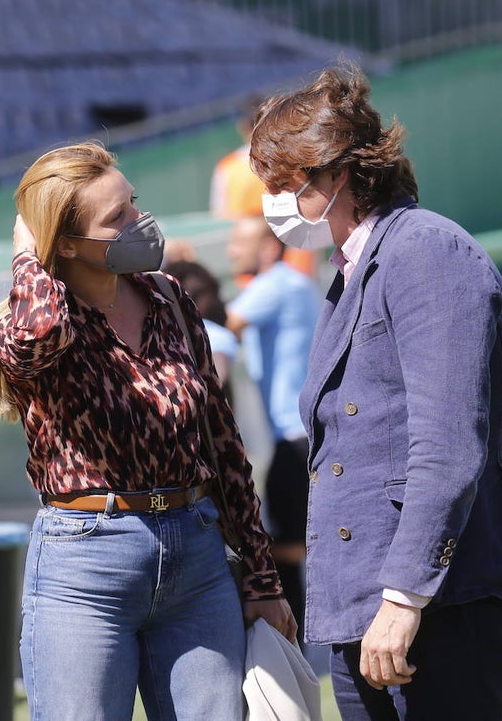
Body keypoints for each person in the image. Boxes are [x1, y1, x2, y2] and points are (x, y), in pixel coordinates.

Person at [0, 142, 294, 721]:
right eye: (118, 217)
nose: (140, 221)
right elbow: (36, 335)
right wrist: (27, 256)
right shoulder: (37, 321)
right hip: (87, 562)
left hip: (196, 551)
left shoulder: (169, 298)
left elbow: (223, 442)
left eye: (133, 202)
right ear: (65, 242)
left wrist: (262, 577)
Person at [248, 65, 502, 720]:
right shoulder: (354, 267)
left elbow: (447, 448)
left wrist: (405, 597)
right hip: (360, 606)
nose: (272, 203)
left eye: (281, 184)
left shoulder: (427, 252)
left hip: (434, 605)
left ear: (333, 174)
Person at [225, 215, 321, 642]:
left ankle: (293, 638)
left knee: (286, 544)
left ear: (268, 247)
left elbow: (218, 326)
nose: (231, 251)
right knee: (294, 537)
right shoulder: (295, 284)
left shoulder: (274, 285)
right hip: (302, 431)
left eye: (239, 243)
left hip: (293, 435)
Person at [210, 95, 317, 280]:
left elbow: (221, 216)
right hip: (293, 258)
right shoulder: (290, 159)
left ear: (242, 127)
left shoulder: (228, 167)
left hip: (255, 263)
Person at [163, 258, 237, 386]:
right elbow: (215, 383)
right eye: (214, 292)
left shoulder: (159, 336)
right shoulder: (214, 333)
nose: (218, 302)